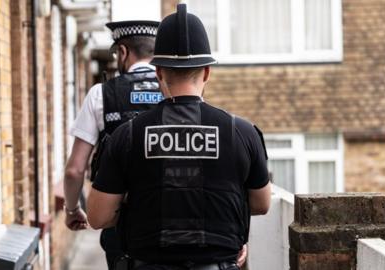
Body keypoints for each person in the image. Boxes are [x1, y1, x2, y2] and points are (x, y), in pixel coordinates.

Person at [87, 4, 271, 270]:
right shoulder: (241, 132)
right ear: (206, 71)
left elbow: (98, 216)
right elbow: (261, 204)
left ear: (158, 71)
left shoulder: (126, 136)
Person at [63, 20, 162, 269]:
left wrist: (72, 209)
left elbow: (75, 170)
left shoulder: (101, 94)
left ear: (124, 52)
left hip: (121, 226)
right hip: (175, 223)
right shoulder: (176, 89)